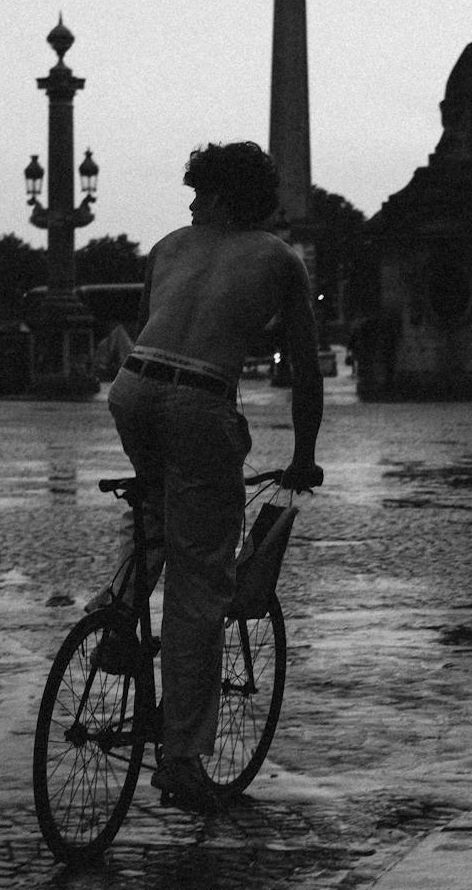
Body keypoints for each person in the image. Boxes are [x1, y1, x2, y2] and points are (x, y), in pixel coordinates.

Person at [102, 140, 323, 814]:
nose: (191, 203)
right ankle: (182, 759)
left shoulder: (167, 246)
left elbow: (157, 332)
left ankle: (115, 622)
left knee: (159, 508)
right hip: (199, 398)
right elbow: (306, 372)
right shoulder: (278, 259)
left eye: (200, 191)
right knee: (201, 582)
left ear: (222, 197)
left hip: (131, 389)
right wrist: (305, 453)